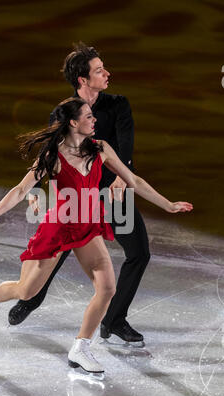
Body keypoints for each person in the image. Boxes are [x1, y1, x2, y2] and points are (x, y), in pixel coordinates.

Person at [0, 97, 192, 373]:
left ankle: (81, 348)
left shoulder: (101, 148)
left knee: (107, 288)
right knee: (26, 289)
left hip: (87, 228)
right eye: (88, 117)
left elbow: (134, 181)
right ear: (73, 123)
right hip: (59, 227)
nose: (94, 120)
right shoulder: (53, 155)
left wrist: (167, 204)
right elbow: (21, 190)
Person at [9, 43, 150, 345]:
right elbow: (50, 158)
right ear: (83, 80)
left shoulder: (118, 105)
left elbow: (125, 145)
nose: (107, 73)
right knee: (59, 250)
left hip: (114, 193)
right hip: (78, 199)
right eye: (100, 70)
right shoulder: (64, 113)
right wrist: (36, 190)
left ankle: (113, 320)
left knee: (139, 252)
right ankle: (29, 297)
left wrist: (121, 178)